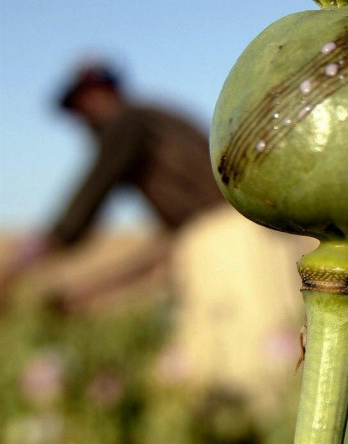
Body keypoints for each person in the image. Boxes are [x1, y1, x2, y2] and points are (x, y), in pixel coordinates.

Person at [0, 62, 303, 415]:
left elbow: (79, 213)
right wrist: (89, 291)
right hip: (233, 241)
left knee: (249, 378)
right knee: (220, 377)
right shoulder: (160, 130)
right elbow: (166, 247)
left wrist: (14, 269)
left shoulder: (128, 122)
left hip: (234, 246)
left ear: (98, 97)